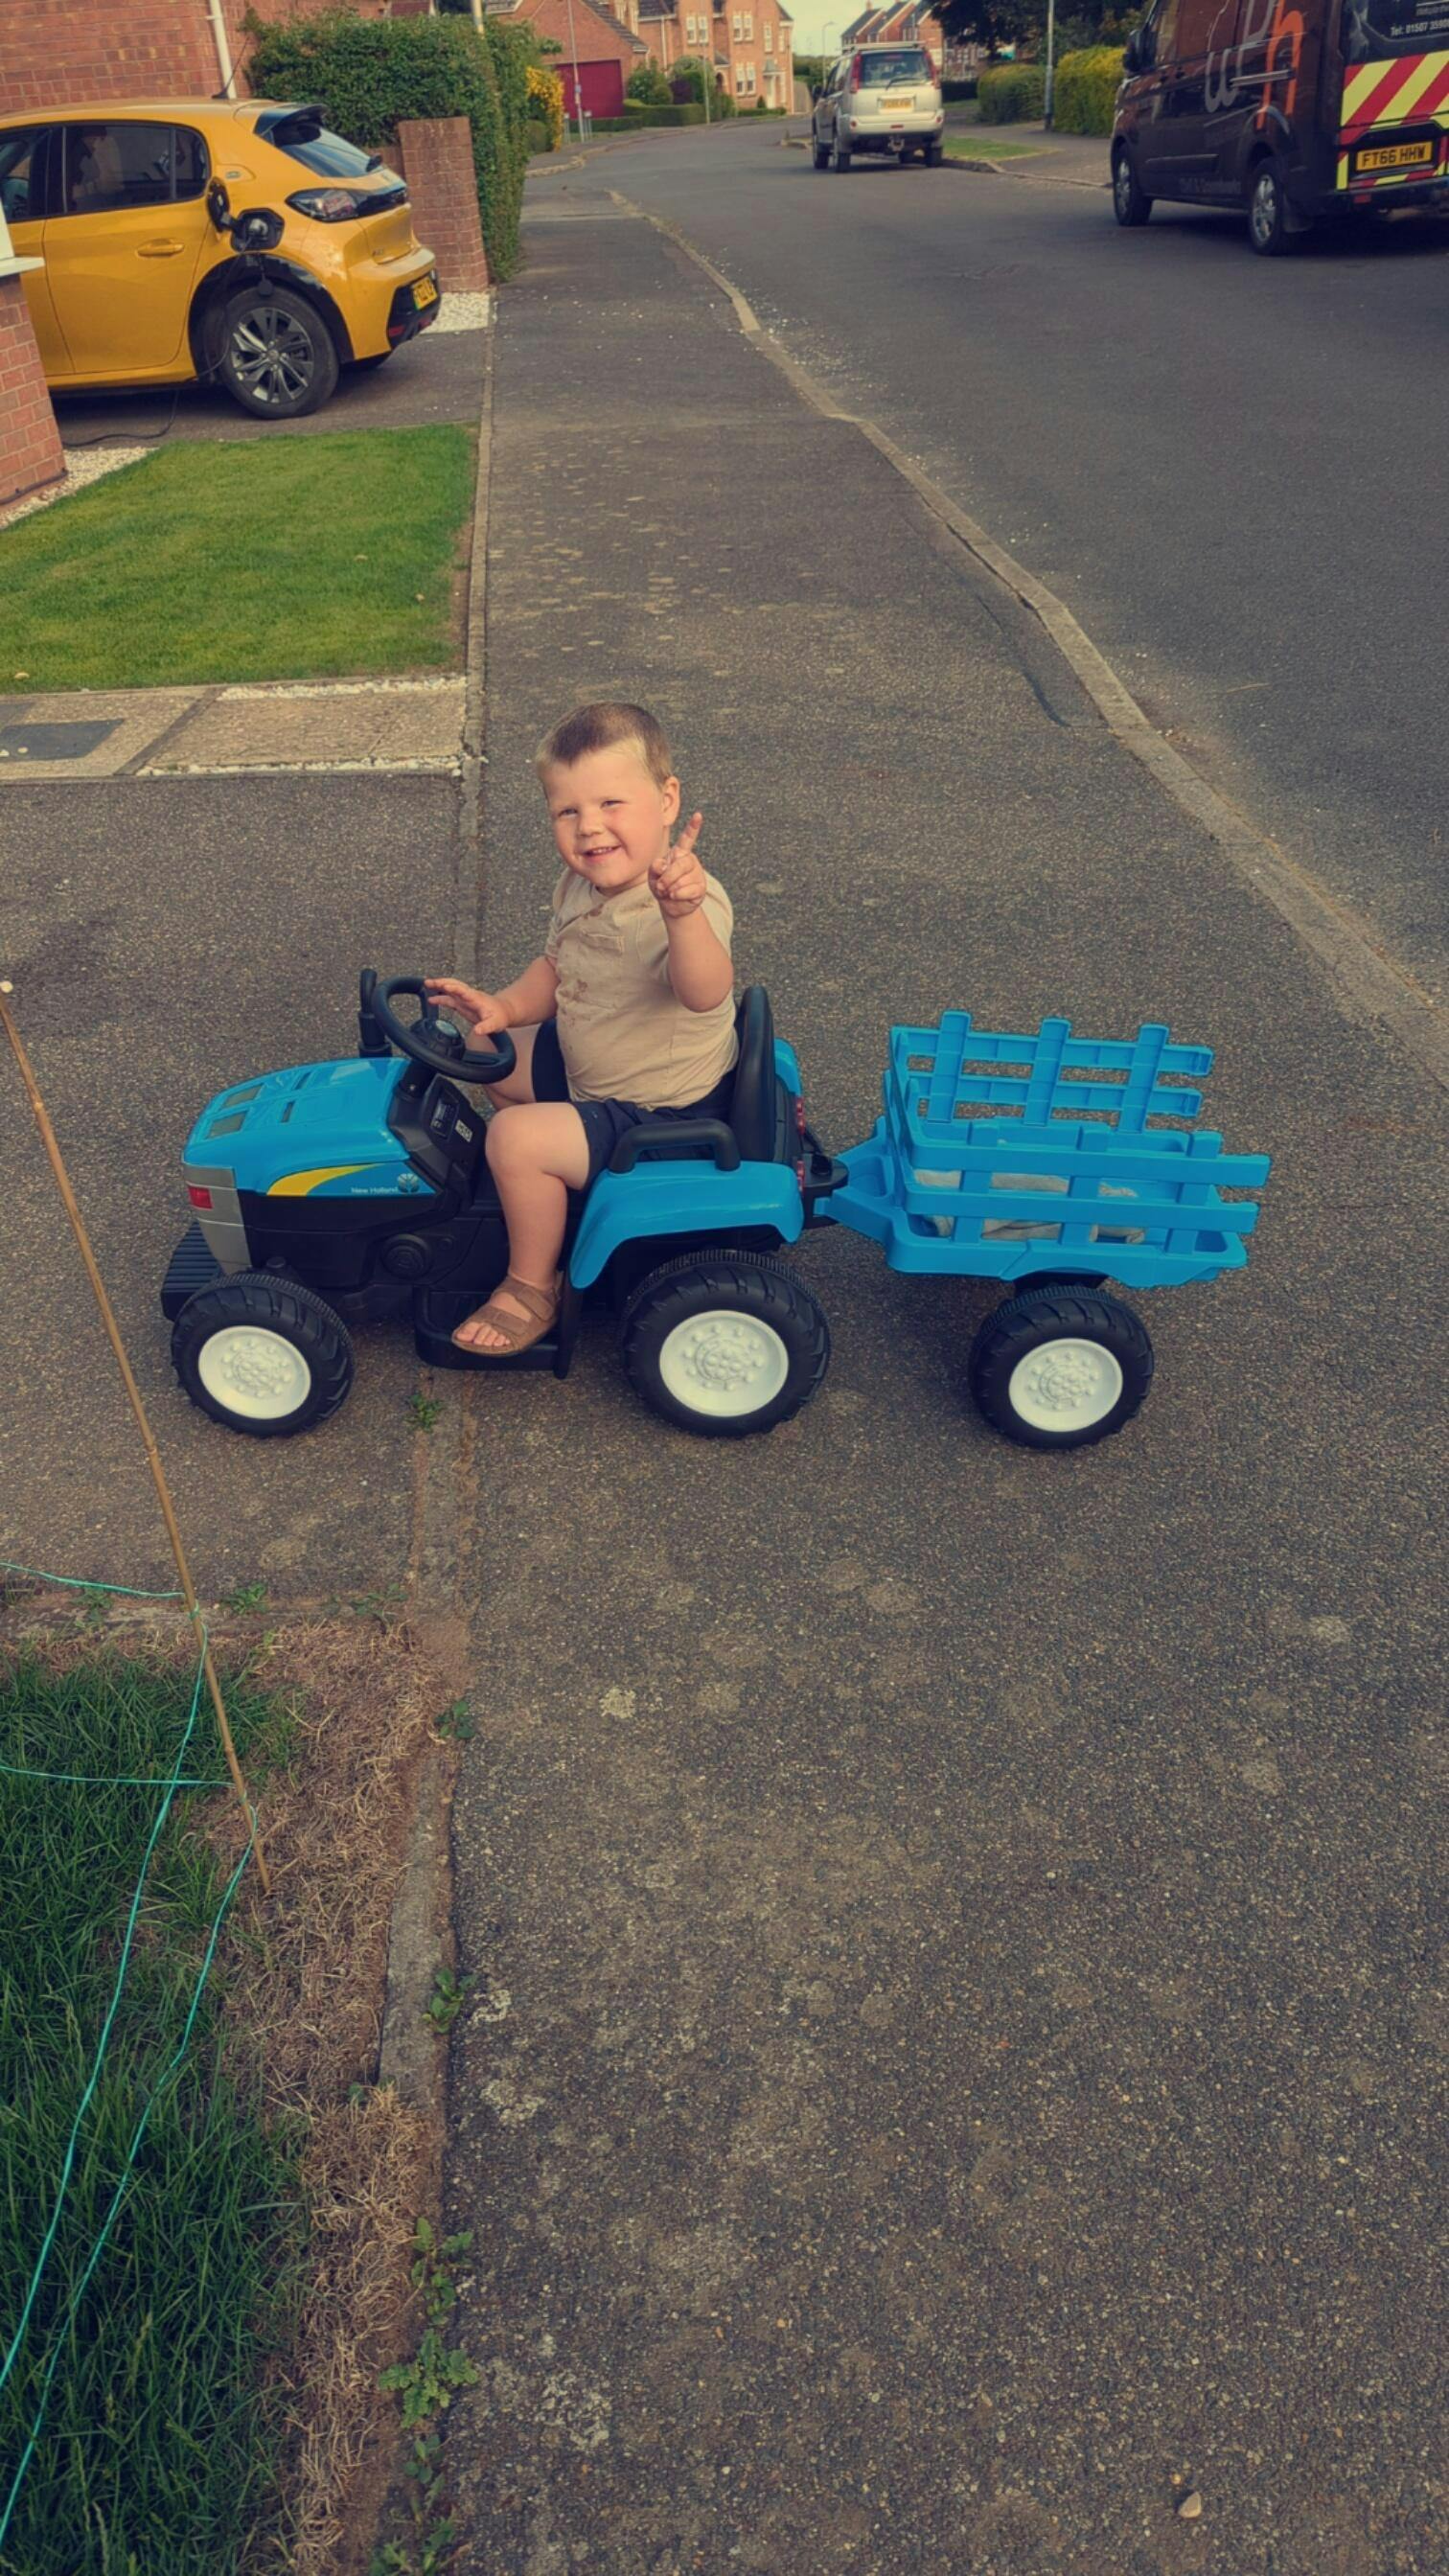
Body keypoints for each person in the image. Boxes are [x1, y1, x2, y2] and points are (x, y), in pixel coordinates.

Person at [426, 702, 738, 1356]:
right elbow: (557, 964)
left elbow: (705, 991)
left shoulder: (686, 899)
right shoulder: (580, 883)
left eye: (611, 804)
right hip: (592, 1063)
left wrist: (682, 916)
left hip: (658, 1110)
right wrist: (505, 1008)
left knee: (513, 1139)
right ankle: (549, 1191)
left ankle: (532, 1286)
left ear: (667, 800)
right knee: (485, 1049)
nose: (589, 827)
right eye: (567, 811)